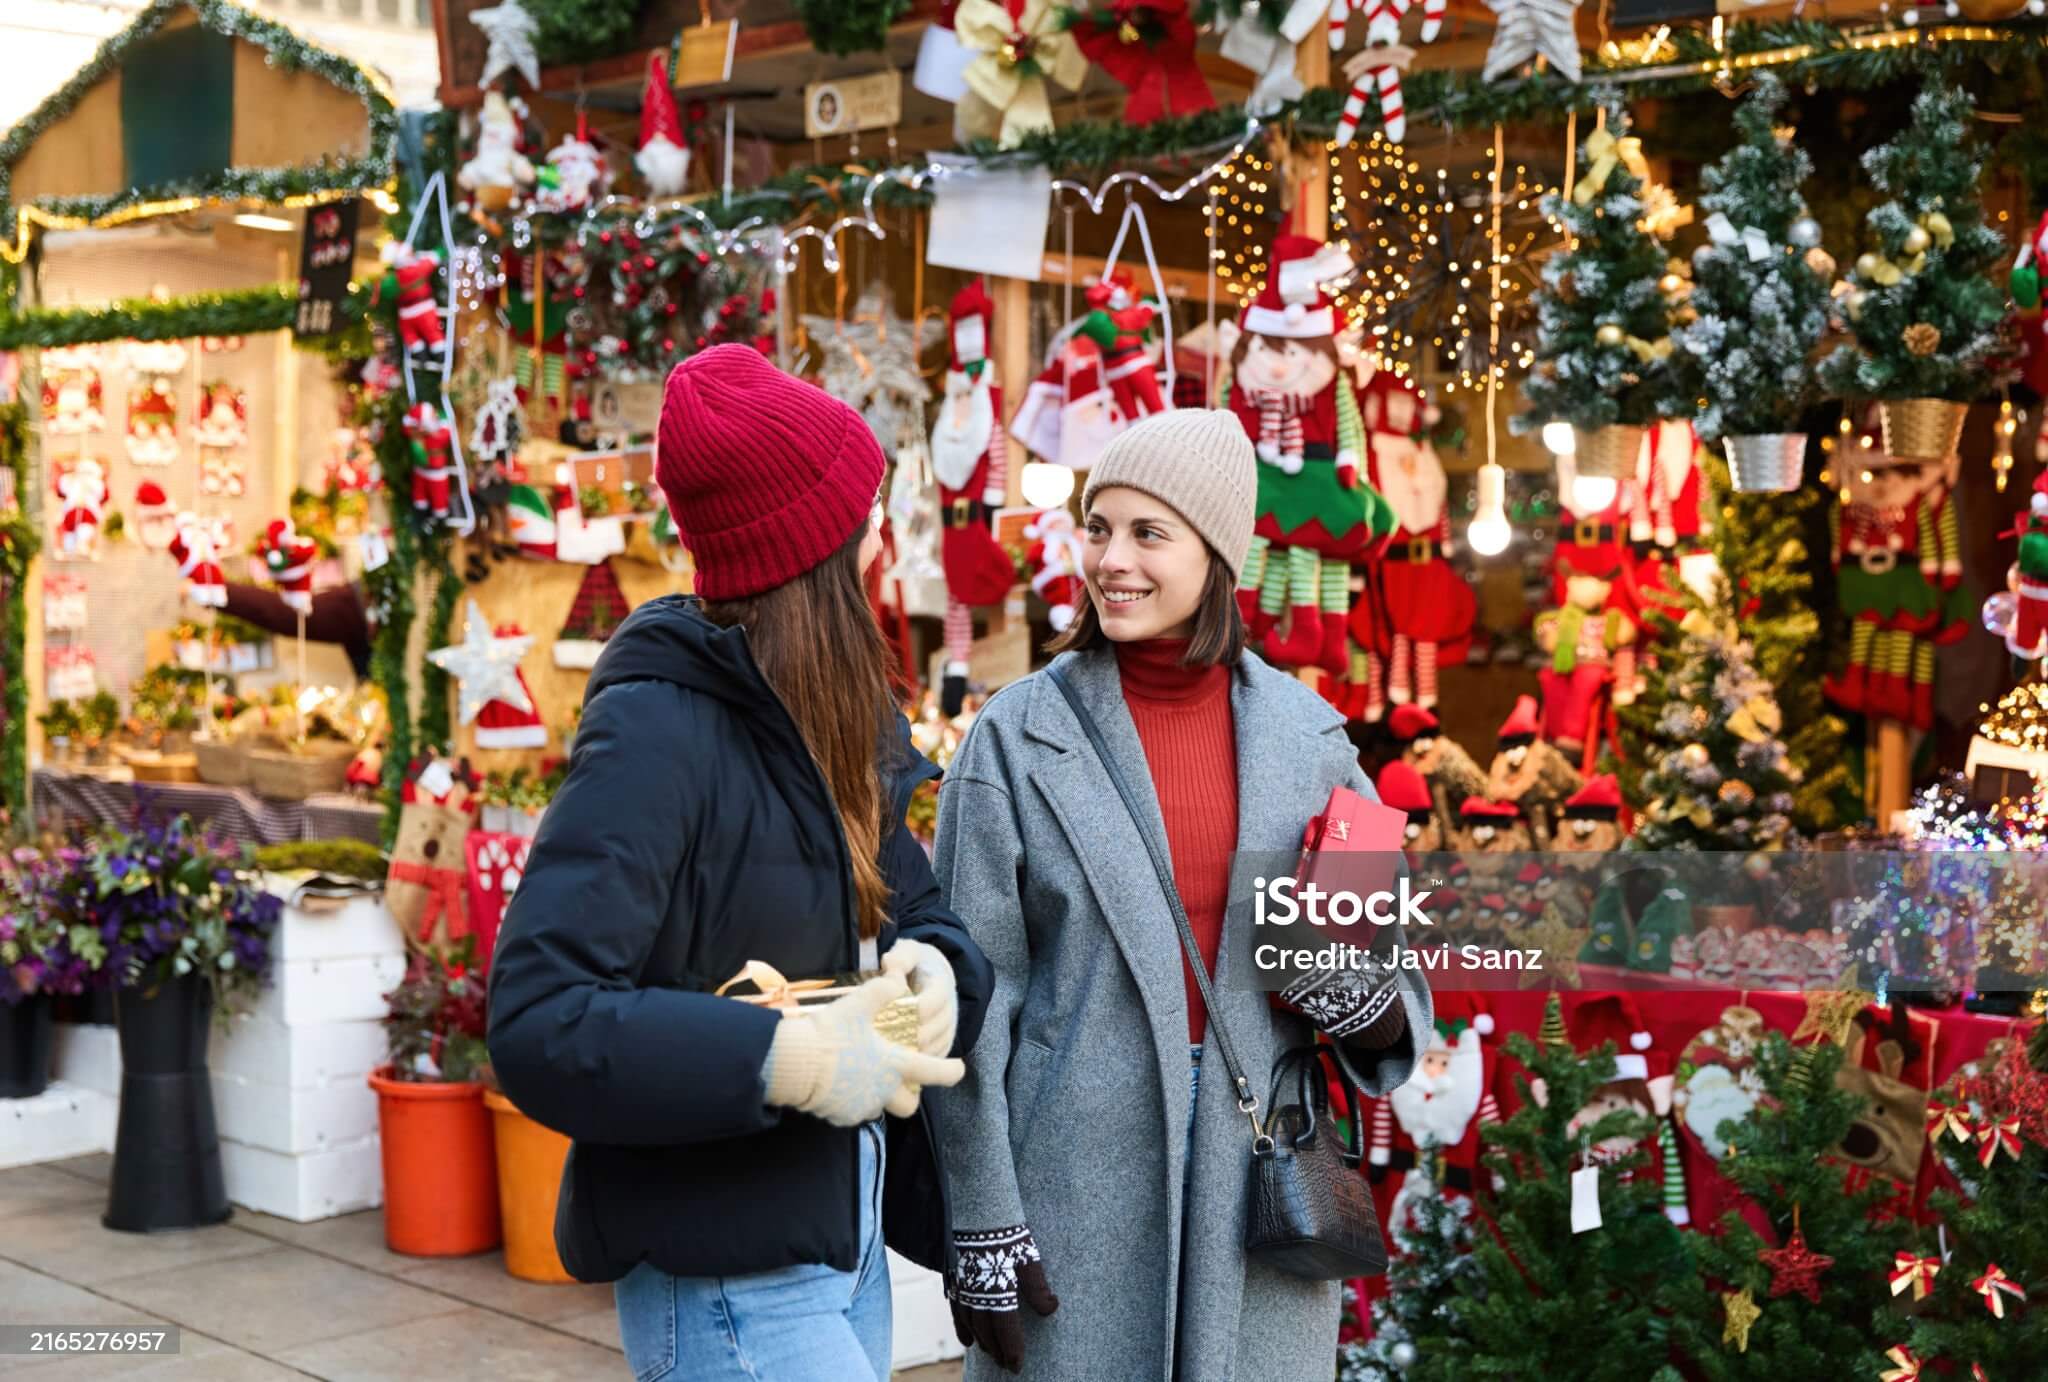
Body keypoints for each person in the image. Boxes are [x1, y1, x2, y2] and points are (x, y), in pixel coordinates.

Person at [488, 344, 994, 1382]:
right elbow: (541, 1018)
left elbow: (923, 915)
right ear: (814, 554)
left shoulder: (830, 720)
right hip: (723, 1272)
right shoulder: (655, 734)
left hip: (835, 1235)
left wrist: (936, 977)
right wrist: (782, 1056)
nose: (884, 541)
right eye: (869, 518)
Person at [929, 409, 1433, 1381]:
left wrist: (1351, 995)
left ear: (1216, 555)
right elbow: (966, 1010)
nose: (1111, 559)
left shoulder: (1311, 743)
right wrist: (983, 1212)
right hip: (1073, 1187)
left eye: (1146, 532)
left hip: (1261, 1189)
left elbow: (1392, 980)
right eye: (1098, 527)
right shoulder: (1014, 739)